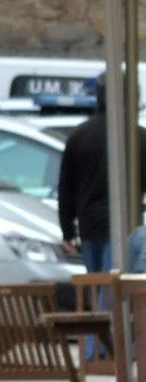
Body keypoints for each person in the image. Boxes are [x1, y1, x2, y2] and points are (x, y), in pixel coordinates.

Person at [55, 76, 146, 272]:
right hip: (125, 224)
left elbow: (66, 187)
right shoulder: (137, 136)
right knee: (113, 290)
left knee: (97, 286)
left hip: (89, 225)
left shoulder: (79, 136)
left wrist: (67, 230)